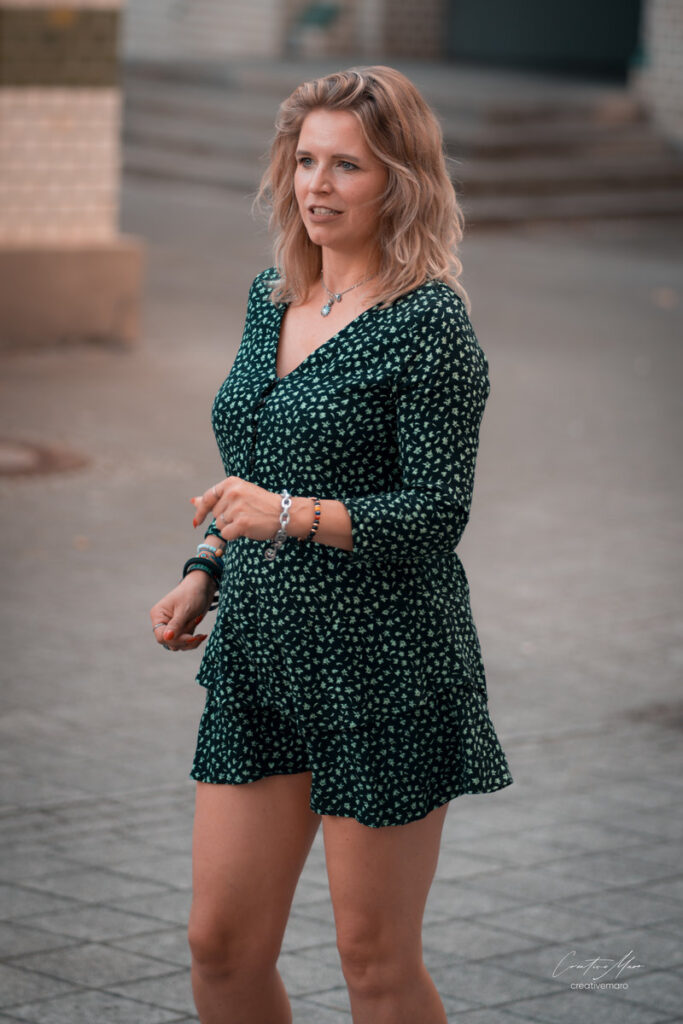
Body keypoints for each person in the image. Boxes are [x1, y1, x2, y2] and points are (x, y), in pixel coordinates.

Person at [150, 65, 514, 1024]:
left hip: (385, 667)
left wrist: (288, 514)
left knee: (374, 961)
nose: (316, 184)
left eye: (346, 165)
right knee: (219, 947)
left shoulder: (428, 324)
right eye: (305, 160)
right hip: (260, 658)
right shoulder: (271, 296)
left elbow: (434, 515)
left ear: (400, 180)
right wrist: (206, 569)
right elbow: (255, 466)